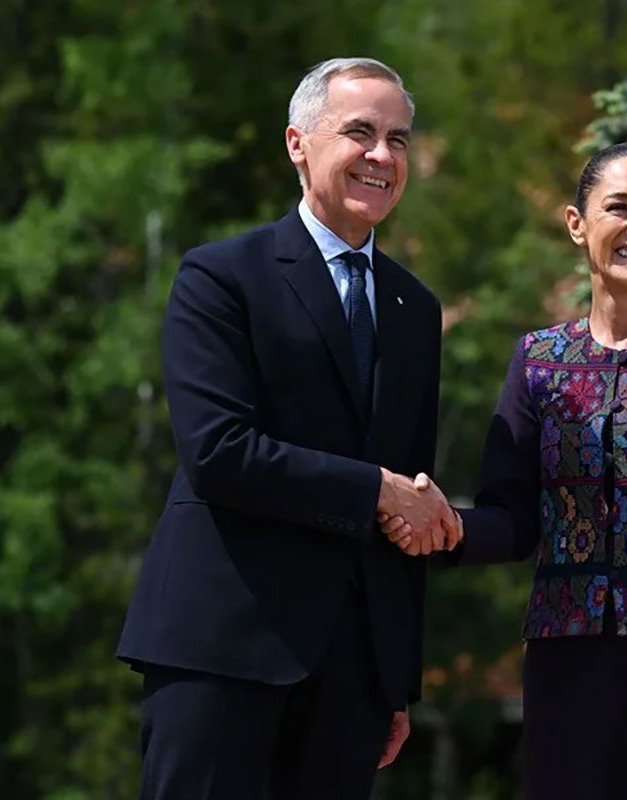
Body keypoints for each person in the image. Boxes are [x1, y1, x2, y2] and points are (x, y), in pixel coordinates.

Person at [382, 142, 627, 799]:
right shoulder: (538, 361)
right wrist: (445, 525)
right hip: (567, 659)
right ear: (577, 223)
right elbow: (512, 519)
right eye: (618, 207)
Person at [116, 57, 460, 800]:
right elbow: (218, 452)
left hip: (350, 678)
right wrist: (373, 489)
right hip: (222, 648)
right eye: (360, 133)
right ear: (298, 143)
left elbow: (407, 495)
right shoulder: (220, 276)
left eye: (399, 140)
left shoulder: (415, 309)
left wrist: (395, 679)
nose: (383, 156)